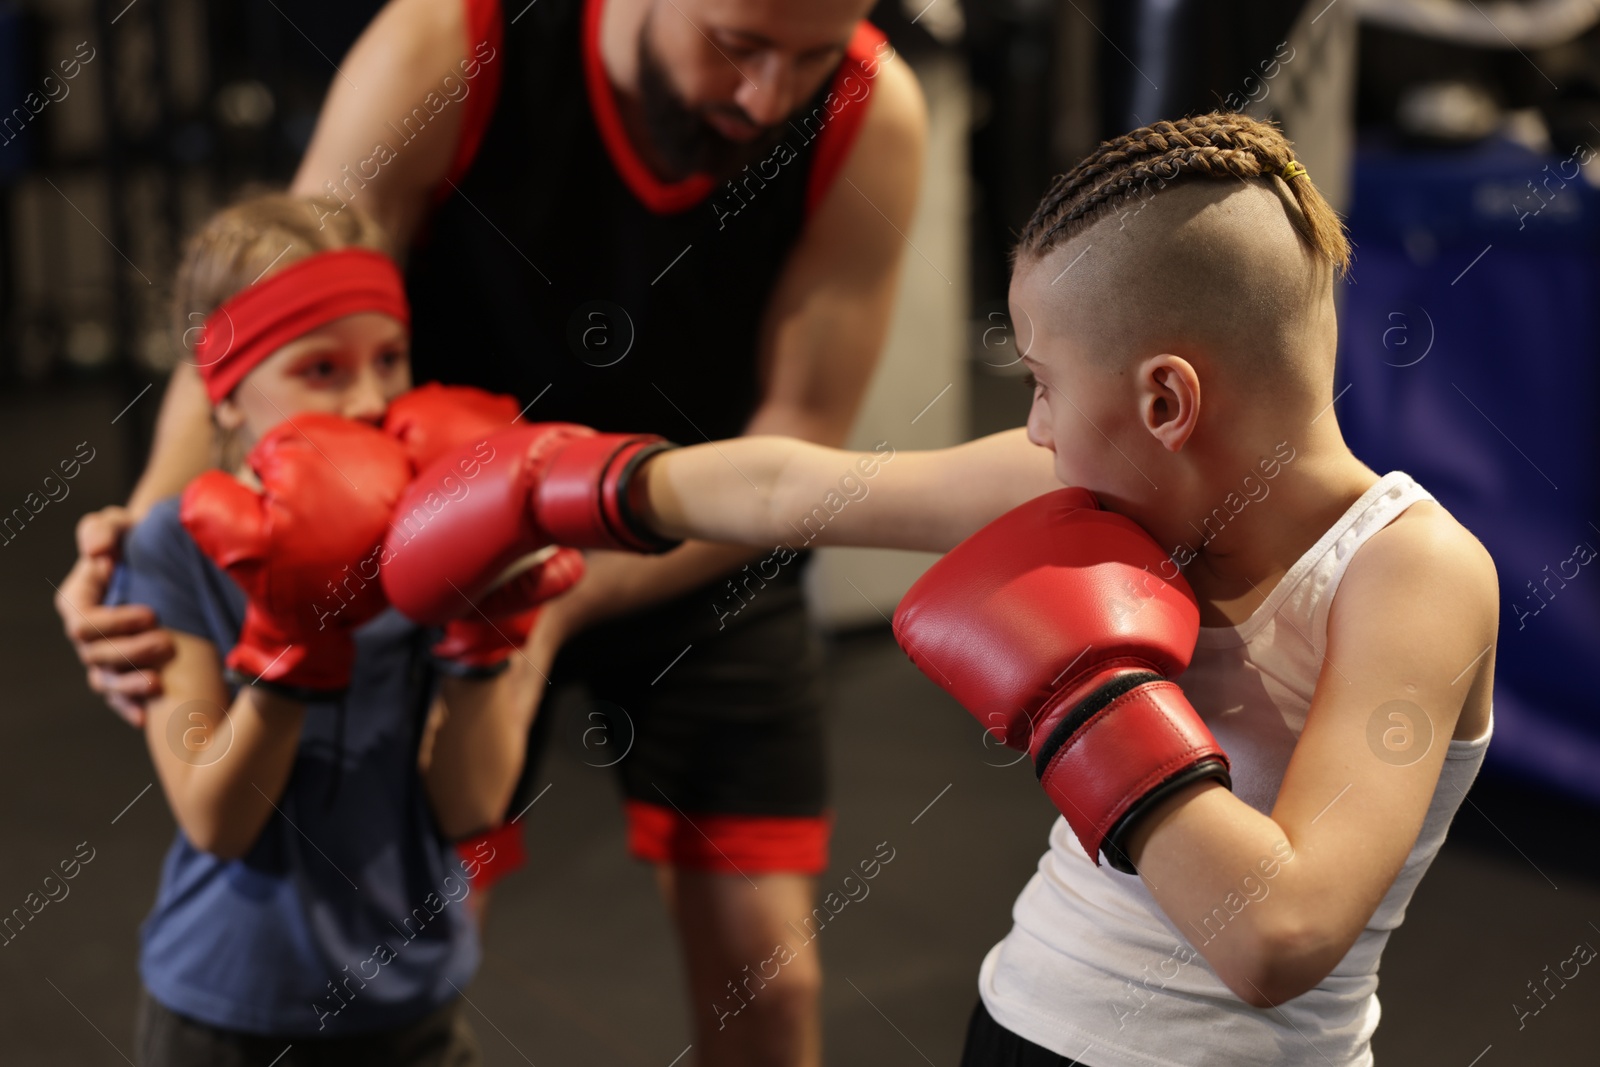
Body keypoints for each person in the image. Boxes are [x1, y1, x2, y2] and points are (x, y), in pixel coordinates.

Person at [390, 112, 1499, 1066]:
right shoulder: (1102, 487)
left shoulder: (1410, 572)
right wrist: (572, 481)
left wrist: (1090, 702)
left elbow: (1277, 935)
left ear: (1167, 400)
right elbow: (799, 486)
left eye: (1044, 383)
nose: (1035, 426)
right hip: (1021, 1020)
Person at [58, 3, 925, 1062]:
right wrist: (144, 542)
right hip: (429, 537)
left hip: (697, 541)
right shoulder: (448, 38)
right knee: (413, 924)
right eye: (736, 45)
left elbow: (801, 431)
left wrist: (547, 602)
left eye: (810, 57)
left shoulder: (869, 112)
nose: (766, 96)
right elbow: (270, 306)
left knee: (772, 982)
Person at [107, 193, 593, 1065]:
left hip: (412, 992)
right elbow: (215, 820)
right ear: (226, 397)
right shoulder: (170, 546)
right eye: (321, 370)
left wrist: (486, 637)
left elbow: (471, 804)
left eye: (390, 359)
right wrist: (296, 636)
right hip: (231, 1008)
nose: (370, 399)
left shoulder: (430, 529)